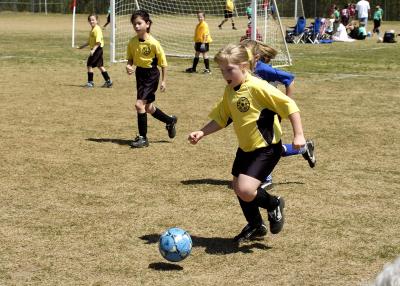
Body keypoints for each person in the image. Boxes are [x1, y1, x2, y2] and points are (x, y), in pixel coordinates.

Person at [188, 43, 307, 243]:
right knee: (237, 187)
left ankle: (273, 203)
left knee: (246, 189)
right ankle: (255, 225)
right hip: (246, 148)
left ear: (244, 66)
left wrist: (299, 135)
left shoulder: (257, 86)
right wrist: (202, 132)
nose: (225, 74)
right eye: (222, 70)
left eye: (229, 69)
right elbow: (222, 118)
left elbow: (290, 105)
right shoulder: (230, 90)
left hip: (266, 148)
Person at [240, 39, 315, 188]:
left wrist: (285, 104)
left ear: (255, 57)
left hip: (269, 113)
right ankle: (303, 148)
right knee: (269, 148)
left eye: (244, 56)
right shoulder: (244, 69)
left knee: (262, 146)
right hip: (255, 113)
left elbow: (289, 79)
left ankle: (265, 177)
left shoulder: (262, 69)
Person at [126, 10, 177, 148]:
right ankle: (170, 121)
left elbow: (163, 64)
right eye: (134, 24)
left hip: (151, 75)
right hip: (140, 74)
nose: (136, 26)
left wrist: (164, 81)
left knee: (139, 105)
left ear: (147, 24)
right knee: (147, 107)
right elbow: (130, 58)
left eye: (139, 23)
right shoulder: (132, 42)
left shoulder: (154, 43)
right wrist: (129, 66)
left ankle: (143, 138)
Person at [77, 13, 112, 88]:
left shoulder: (97, 29)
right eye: (90, 20)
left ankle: (90, 83)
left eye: (93, 20)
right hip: (98, 49)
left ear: (97, 20)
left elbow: (98, 42)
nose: (91, 21)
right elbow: (90, 41)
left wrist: (93, 50)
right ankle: (108, 81)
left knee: (89, 65)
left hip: (97, 49)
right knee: (100, 66)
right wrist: (82, 46)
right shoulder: (93, 29)